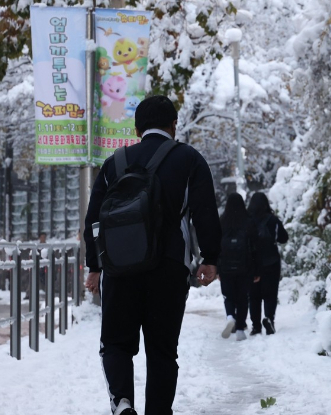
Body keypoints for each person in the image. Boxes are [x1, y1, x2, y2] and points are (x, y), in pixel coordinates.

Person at [83, 95, 221, 415]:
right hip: (169, 267)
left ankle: (122, 401)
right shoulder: (189, 159)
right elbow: (205, 213)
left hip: (120, 269)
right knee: (161, 351)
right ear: (174, 125)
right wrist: (211, 258)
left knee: (116, 344)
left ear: (136, 130)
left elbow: (94, 220)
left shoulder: (114, 163)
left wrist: (95, 266)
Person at [218, 193, 260, 341]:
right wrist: (256, 269)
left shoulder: (222, 221)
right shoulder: (249, 222)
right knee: (242, 298)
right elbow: (255, 247)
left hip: (226, 266)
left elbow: (216, 246)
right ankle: (241, 329)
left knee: (229, 296)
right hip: (245, 267)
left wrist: (217, 267)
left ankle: (230, 316)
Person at [247, 192, 288, 335]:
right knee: (270, 294)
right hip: (271, 261)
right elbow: (283, 238)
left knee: (254, 296)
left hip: (251, 262)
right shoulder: (273, 220)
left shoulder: (247, 220)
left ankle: (256, 326)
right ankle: (269, 318)